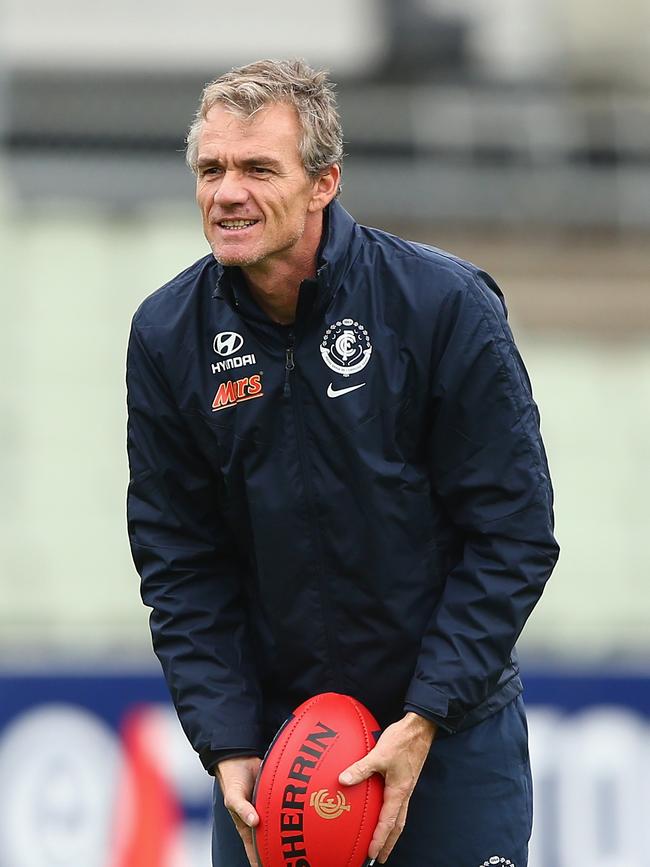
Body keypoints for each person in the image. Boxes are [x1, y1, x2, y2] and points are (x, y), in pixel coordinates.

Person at [126, 59, 559, 867]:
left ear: (324, 182)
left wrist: (426, 715)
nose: (226, 193)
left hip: (446, 740)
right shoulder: (165, 337)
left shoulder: (444, 306)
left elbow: (513, 534)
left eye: (258, 168)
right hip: (280, 757)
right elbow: (181, 563)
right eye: (211, 169)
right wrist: (227, 740)